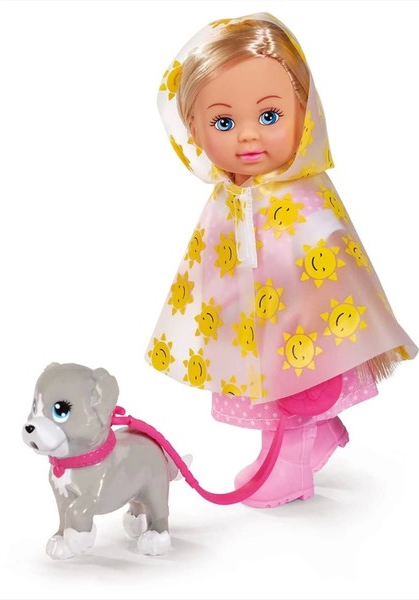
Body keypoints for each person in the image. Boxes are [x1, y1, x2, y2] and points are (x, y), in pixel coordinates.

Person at [146, 13, 417, 507]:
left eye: (269, 116)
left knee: (289, 393)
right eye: (224, 123)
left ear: (304, 113)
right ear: (193, 130)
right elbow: (212, 259)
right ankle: (316, 435)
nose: (248, 136)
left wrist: (299, 311)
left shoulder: (300, 198)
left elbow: (327, 260)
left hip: (298, 332)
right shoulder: (229, 196)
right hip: (252, 324)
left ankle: (290, 467)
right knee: (270, 390)